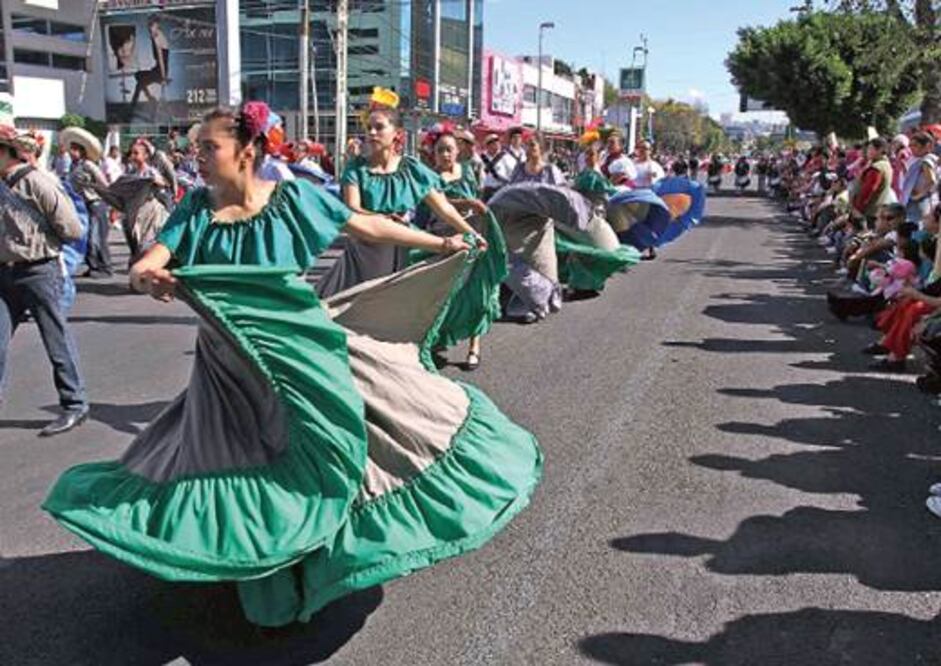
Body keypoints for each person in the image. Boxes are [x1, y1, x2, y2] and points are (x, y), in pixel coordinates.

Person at [42, 100, 541, 629]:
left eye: (209, 147)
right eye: (196, 149)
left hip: (298, 348)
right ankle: (264, 579)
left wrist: (442, 240)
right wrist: (147, 276)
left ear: (248, 152)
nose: (199, 158)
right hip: (227, 368)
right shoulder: (194, 211)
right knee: (237, 465)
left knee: (332, 449)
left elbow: (366, 227)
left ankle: (317, 563)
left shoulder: (293, 198)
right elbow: (150, 260)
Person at [317, 102, 485, 297]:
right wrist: (383, 218)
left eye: (379, 127)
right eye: (368, 128)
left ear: (396, 132)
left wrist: (472, 233)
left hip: (403, 248)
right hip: (365, 254)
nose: (371, 133)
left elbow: (444, 208)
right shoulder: (356, 169)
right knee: (354, 306)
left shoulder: (411, 169)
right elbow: (352, 208)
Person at [0, 126, 88, 436]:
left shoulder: (38, 183)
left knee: (56, 340)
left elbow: (73, 229)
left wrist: (38, 241)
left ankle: (75, 404)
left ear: (7, 151)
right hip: (4, 274)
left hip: (39, 271)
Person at [420, 127, 508, 371]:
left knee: (478, 293)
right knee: (443, 294)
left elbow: (477, 199)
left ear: (457, 152)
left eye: (449, 149)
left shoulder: (469, 171)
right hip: (442, 239)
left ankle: (474, 348)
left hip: (473, 235)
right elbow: (436, 205)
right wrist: (466, 203)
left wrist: (479, 217)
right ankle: (431, 341)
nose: (445, 154)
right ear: (434, 154)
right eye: (440, 151)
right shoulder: (430, 177)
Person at [65, 127, 112, 278]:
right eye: (70, 149)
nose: (71, 152)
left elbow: (104, 183)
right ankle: (93, 266)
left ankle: (105, 267)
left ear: (81, 151)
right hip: (81, 205)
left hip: (95, 204)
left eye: (74, 149)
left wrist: (94, 188)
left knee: (97, 237)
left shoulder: (88, 165)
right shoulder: (73, 166)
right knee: (86, 238)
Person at [129, 15, 170, 117]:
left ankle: (133, 107)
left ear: (157, 25)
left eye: (153, 25)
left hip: (160, 71)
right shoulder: (155, 36)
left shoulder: (158, 38)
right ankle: (150, 100)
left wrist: (164, 77)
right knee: (139, 77)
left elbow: (161, 59)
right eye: (149, 26)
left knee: (139, 81)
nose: (150, 28)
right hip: (157, 69)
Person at [851, 137, 895, 227]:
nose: (868, 151)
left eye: (871, 148)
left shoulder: (877, 168)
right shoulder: (884, 164)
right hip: (875, 209)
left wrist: (858, 208)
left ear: (881, 150)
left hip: (870, 211)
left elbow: (868, 190)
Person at [900, 131, 938, 225]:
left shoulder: (926, 161)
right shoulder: (919, 159)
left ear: (926, 146)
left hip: (920, 202)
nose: (912, 148)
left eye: (915, 145)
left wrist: (918, 196)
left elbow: (932, 181)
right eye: (910, 145)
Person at [480, 133, 513, 200]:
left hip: (501, 189)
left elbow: (512, 174)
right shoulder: (482, 158)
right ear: (487, 145)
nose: (496, 143)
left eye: (497, 141)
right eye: (492, 142)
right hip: (486, 191)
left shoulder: (506, 157)